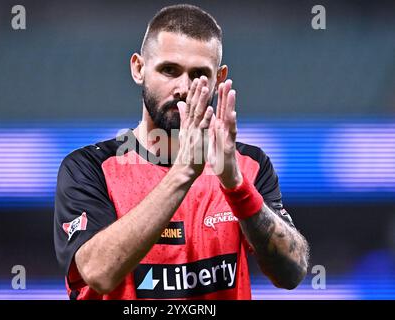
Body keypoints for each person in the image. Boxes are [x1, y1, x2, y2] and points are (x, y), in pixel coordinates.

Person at [54, 4, 309, 300]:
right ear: (139, 68)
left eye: (199, 74)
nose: (183, 88)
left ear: (218, 78)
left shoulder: (247, 166)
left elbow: (292, 273)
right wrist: (184, 172)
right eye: (169, 70)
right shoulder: (88, 168)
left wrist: (236, 186)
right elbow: (98, 273)